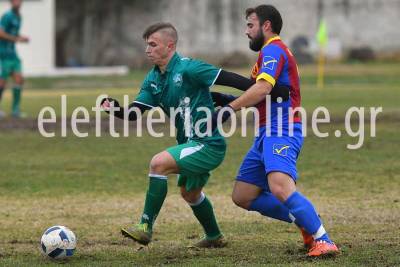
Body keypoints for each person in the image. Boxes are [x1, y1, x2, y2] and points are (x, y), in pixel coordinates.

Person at [100, 22, 277, 248]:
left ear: (170, 45)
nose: (148, 50)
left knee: (158, 164)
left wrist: (267, 90)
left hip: (207, 144)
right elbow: (135, 112)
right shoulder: (153, 79)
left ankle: (144, 227)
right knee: (190, 193)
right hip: (190, 143)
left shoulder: (190, 68)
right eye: (146, 45)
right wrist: (115, 109)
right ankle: (214, 237)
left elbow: (233, 79)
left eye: (153, 45)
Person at [212, 5, 339, 257]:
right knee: (244, 194)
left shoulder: (273, 49)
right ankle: (305, 219)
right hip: (265, 132)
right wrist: (224, 98)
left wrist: (229, 109)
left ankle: (323, 239)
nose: (246, 31)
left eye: (250, 25)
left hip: (282, 129)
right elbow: (263, 93)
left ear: (266, 26)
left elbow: (261, 90)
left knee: (280, 186)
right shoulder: (268, 54)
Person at [0, 0, 29, 118]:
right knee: (2, 82)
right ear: (11, 2)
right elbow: (1, 34)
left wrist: (21, 38)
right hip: (3, 54)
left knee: (19, 79)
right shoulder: (7, 16)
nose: (17, 2)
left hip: (13, 55)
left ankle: (15, 110)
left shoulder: (19, 17)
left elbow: (14, 34)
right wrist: (16, 39)